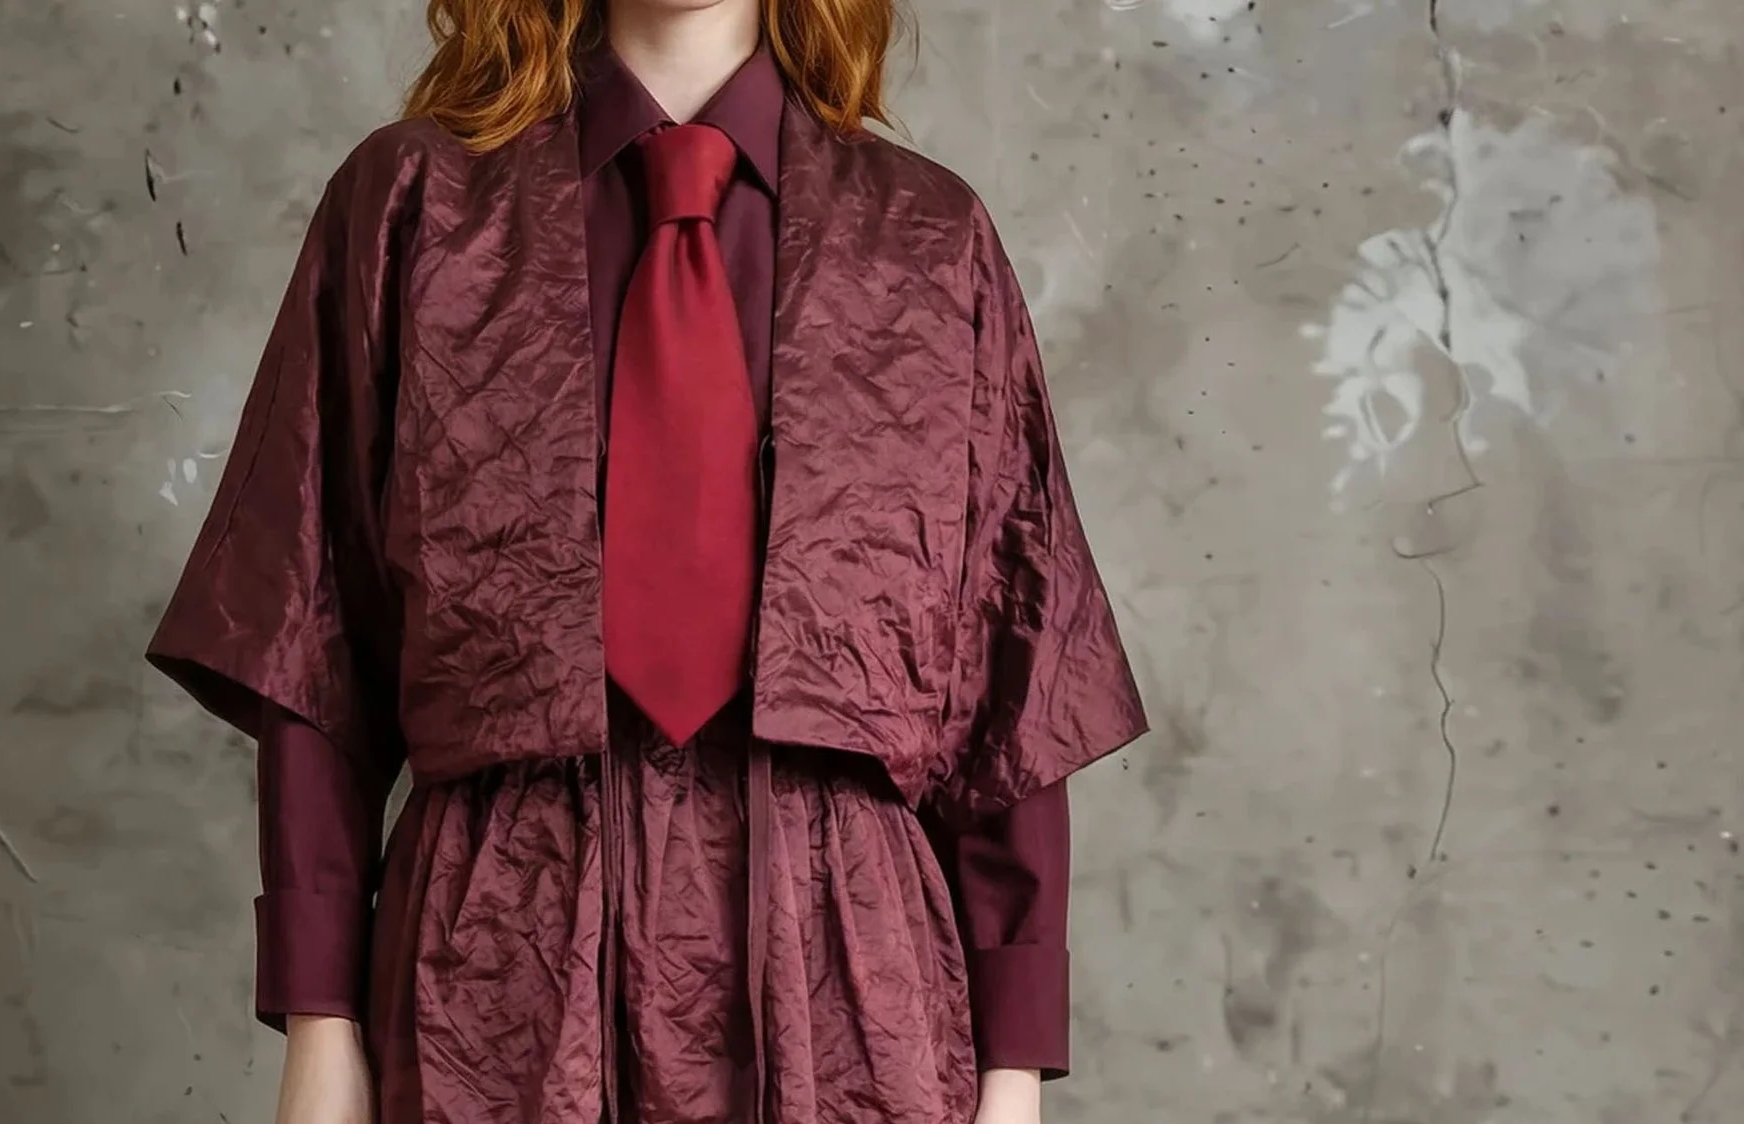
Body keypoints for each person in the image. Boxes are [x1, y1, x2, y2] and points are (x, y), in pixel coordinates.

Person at [145, 0, 1149, 1120]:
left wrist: (1013, 1073)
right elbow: (313, 628)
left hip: (850, 990)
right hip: (498, 976)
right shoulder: (412, 208)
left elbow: (1013, 673)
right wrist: (320, 1023)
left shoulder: (927, 238)